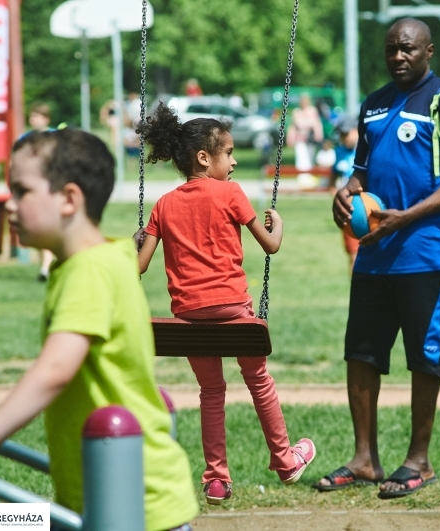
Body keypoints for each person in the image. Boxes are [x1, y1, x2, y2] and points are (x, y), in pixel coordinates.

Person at [0, 129, 199, 531]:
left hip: (133, 503)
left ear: (68, 199)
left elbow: (55, 371)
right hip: (115, 489)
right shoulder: (107, 258)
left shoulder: (88, 271)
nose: (9, 204)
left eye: (22, 191)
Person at [317, 18, 440, 499]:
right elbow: (360, 174)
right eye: (391, 49)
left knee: (424, 356)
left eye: (407, 49)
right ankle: (365, 459)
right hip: (374, 254)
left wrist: (405, 217)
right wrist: (345, 196)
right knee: (361, 353)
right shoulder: (373, 103)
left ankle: (419, 461)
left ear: (428, 50)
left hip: (426, 252)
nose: (398, 57)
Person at [134, 102, 316, 505]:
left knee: (210, 392)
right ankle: (285, 458)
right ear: (204, 158)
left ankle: (216, 478)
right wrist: (278, 226)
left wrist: (138, 242)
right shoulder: (231, 193)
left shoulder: (164, 204)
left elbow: (139, 267)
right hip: (234, 311)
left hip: (189, 318)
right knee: (259, 380)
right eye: (229, 153)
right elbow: (270, 245)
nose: (234, 162)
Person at [26, 103, 57, 282]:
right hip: (34, 188)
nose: (33, 119)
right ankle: (47, 265)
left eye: (36, 116)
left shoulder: (53, 137)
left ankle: (45, 268)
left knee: (45, 228)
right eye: (32, 116)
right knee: (37, 231)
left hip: (49, 188)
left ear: (46, 119)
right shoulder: (26, 138)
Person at [332, 115, 360, 269]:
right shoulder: (339, 152)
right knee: (354, 254)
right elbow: (333, 177)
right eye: (340, 135)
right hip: (348, 210)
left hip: (367, 205)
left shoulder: (367, 150)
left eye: (345, 133)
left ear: (357, 130)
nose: (343, 138)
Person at [287, 94, 323, 172]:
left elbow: (317, 124)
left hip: (310, 139)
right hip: (300, 138)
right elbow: (293, 126)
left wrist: (318, 135)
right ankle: (302, 175)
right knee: (301, 157)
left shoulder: (313, 110)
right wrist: (290, 138)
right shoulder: (296, 111)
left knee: (310, 157)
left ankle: (309, 174)